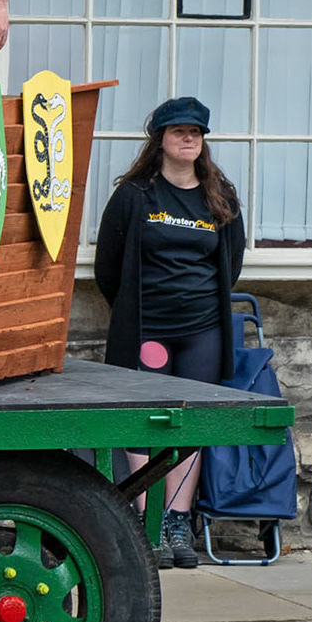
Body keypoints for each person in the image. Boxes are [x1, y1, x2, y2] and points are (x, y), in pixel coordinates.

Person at [94, 97, 247, 569]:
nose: (188, 139)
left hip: (202, 330)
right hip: (148, 330)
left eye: (196, 133)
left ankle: (177, 523)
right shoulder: (136, 195)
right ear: (159, 138)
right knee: (145, 420)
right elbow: (108, 268)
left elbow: (231, 261)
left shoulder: (219, 195)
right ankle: (147, 521)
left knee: (191, 421)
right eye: (179, 131)